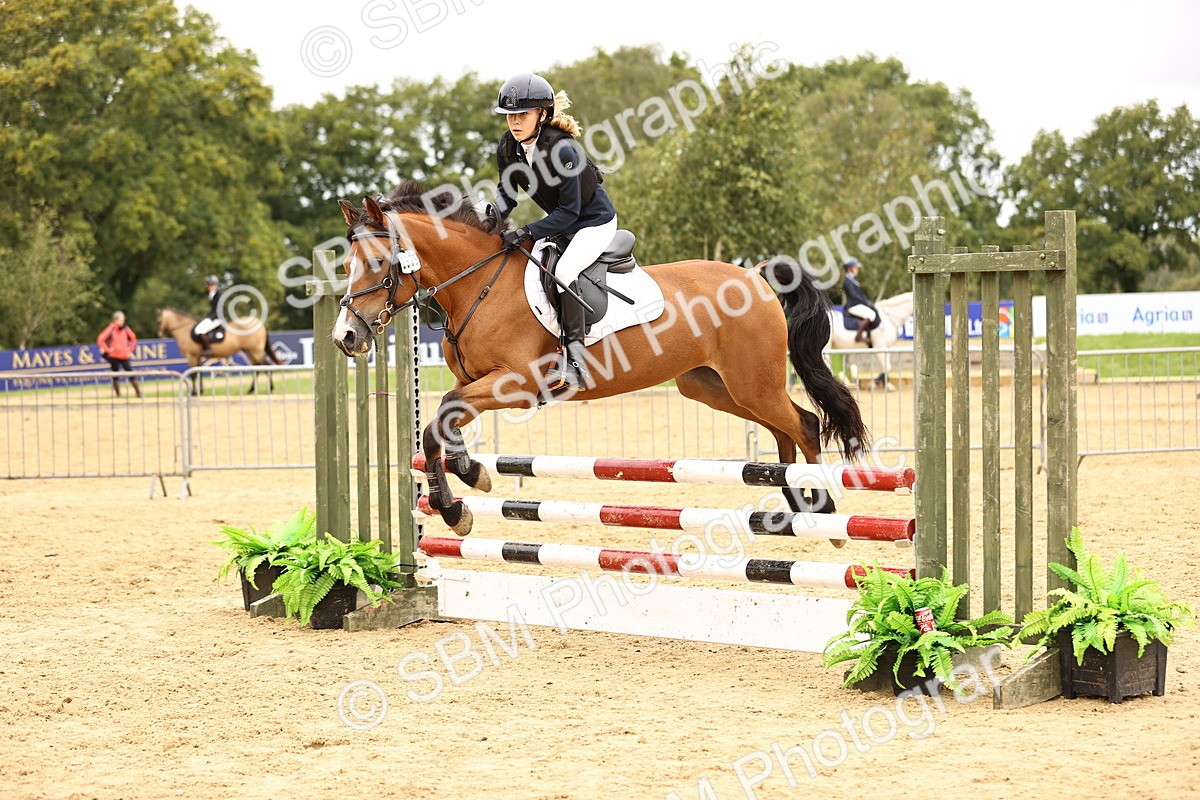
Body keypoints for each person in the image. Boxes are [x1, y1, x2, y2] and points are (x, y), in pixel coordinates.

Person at [492, 72, 617, 391]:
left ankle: (575, 360)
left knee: (564, 268)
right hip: (562, 224)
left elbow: (570, 211)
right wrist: (491, 220)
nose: (514, 122)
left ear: (543, 114)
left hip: (593, 222)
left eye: (523, 114)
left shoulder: (564, 151)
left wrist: (527, 231)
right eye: (510, 116)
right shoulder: (510, 148)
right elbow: (508, 193)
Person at [96, 311, 141, 397]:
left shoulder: (126, 329)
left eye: (123, 320)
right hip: (114, 356)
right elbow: (100, 339)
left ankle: (138, 393)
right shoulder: (111, 329)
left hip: (124, 355)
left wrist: (130, 349)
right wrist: (108, 350)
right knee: (115, 375)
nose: (123, 322)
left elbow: (133, 338)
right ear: (115, 320)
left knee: (131, 374)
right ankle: (118, 395)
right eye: (121, 320)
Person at [841, 257, 878, 346]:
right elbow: (854, 295)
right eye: (855, 267)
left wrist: (868, 301)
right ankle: (859, 336)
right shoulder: (847, 281)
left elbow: (860, 294)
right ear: (850, 268)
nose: (857, 269)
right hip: (852, 305)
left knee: (872, 312)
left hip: (857, 304)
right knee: (871, 315)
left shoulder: (853, 279)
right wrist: (865, 303)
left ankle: (868, 335)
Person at [194, 275, 223, 356]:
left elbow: (218, 310)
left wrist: (209, 318)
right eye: (210, 285)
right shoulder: (212, 294)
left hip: (218, 318)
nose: (211, 287)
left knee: (199, 330)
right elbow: (213, 310)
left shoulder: (219, 294)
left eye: (213, 285)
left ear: (216, 285)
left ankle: (208, 349)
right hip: (213, 316)